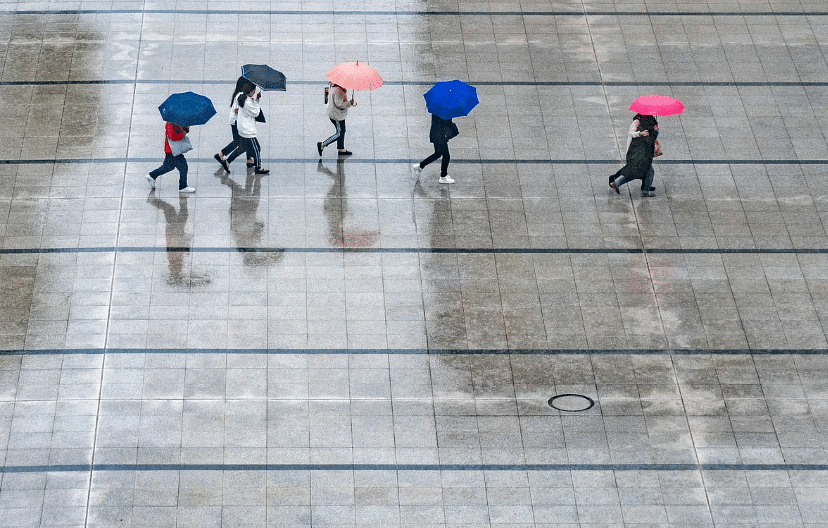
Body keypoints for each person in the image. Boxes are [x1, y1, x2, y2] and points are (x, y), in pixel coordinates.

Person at [609, 115, 658, 197]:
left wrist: (655, 130)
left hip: (639, 152)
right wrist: (646, 133)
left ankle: (617, 183)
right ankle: (646, 191)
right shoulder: (640, 124)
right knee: (649, 171)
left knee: (635, 172)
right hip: (640, 154)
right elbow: (634, 134)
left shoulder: (645, 123)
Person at [214, 77, 255, 172]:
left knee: (243, 141)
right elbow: (237, 110)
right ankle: (222, 154)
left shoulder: (242, 94)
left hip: (237, 121)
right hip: (237, 122)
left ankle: (249, 160)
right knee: (241, 142)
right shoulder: (240, 95)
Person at [146, 122, 195, 193]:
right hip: (173, 150)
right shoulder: (171, 124)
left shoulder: (175, 122)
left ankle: (152, 176)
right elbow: (173, 137)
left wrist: (186, 129)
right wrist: (183, 134)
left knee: (168, 166)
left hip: (170, 150)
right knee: (183, 167)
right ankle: (183, 186)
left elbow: (178, 131)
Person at [411, 113, 459, 184]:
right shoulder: (445, 112)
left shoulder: (438, 109)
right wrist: (454, 128)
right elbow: (446, 124)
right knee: (446, 156)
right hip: (440, 136)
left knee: (438, 154)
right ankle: (443, 176)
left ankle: (420, 166)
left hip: (436, 134)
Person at [236, 84, 269, 175]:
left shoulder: (242, 97)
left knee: (250, 147)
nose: (254, 92)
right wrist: (257, 101)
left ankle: (252, 162)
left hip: (243, 127)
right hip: (248, 130)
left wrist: (255, 99)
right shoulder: (247, 102)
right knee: (256, 149)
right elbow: (256, 113)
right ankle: (258, 167)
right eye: (254, 91)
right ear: (250, 91)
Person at [317, 83, 356, 157]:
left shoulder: (336, 87)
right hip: (336, 115)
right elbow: (339, 104)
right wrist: (349, 103)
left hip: (338, 113)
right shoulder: (338, 91)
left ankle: (341, 148)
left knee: (342, 129)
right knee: (339, 133)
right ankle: (322, 144)